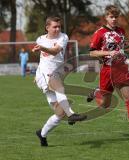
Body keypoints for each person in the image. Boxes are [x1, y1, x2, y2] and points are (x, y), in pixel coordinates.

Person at [87, 5, 129, 139]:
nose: (114, 19)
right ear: (106, 17)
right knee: (104, 104)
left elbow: (125, 44)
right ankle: (96, 92)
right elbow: (92, 52)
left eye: (116, 17)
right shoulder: (100, 33)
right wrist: (108, 52)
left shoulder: (121, 31)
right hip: (107, 70)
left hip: (121, 68)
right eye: (111, 17)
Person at [32, 16, 87, 147]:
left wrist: (41, 49)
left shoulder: (63, 37)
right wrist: (38, 74)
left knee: (59, 113)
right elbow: (43, 58)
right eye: (54, 27)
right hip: (46, 75)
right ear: (47, 28)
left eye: (59, 26)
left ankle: (42, 133)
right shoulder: (40, 39)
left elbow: (55, 51)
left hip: (54, 73)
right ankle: (71, 114)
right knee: (59, 86)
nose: (57, 29)